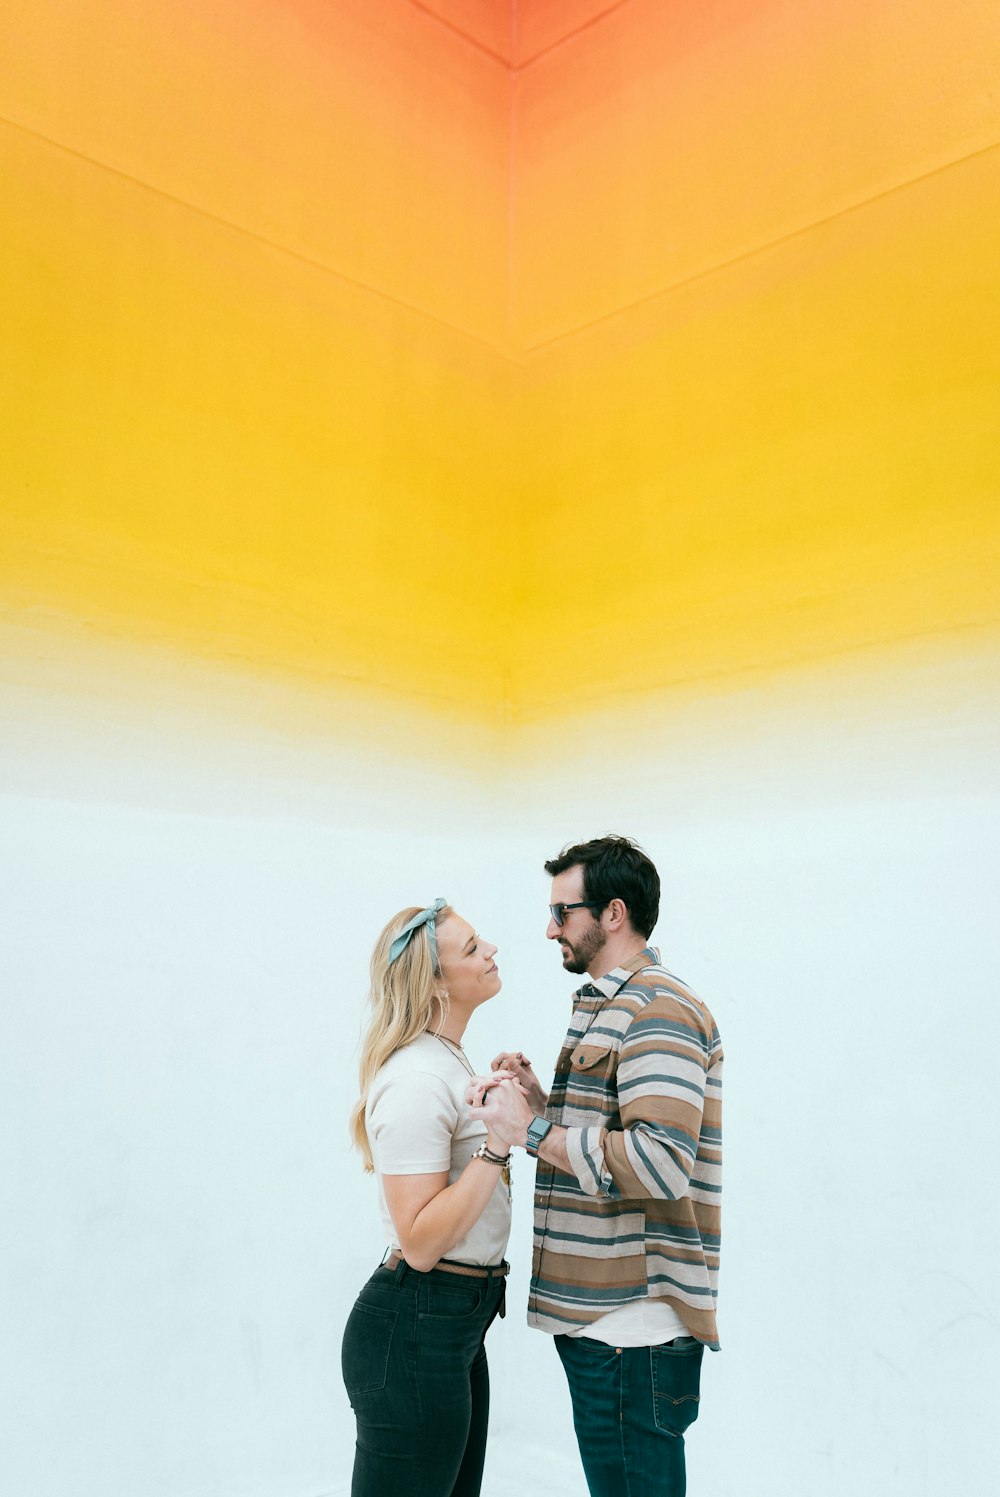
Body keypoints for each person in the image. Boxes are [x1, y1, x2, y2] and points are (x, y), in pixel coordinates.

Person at [468, 836, 723, 1497]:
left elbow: (661, 1163)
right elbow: (615, 1134)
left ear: (613, 913)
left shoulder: (656, 1008)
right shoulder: (610, 1002)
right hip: (606, 1328)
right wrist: (542, 1103)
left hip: (628, 1333)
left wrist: (534, 1130)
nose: (549, 927)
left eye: (563, 910)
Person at [341, 899, 514, 1497]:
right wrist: (496, 1144)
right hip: (419, 1324)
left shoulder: (445, 1063)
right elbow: (417, 1241)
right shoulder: (418, 1078)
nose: (491, 950)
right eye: (471, 949)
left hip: (451, 1325)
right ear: (435, 983)